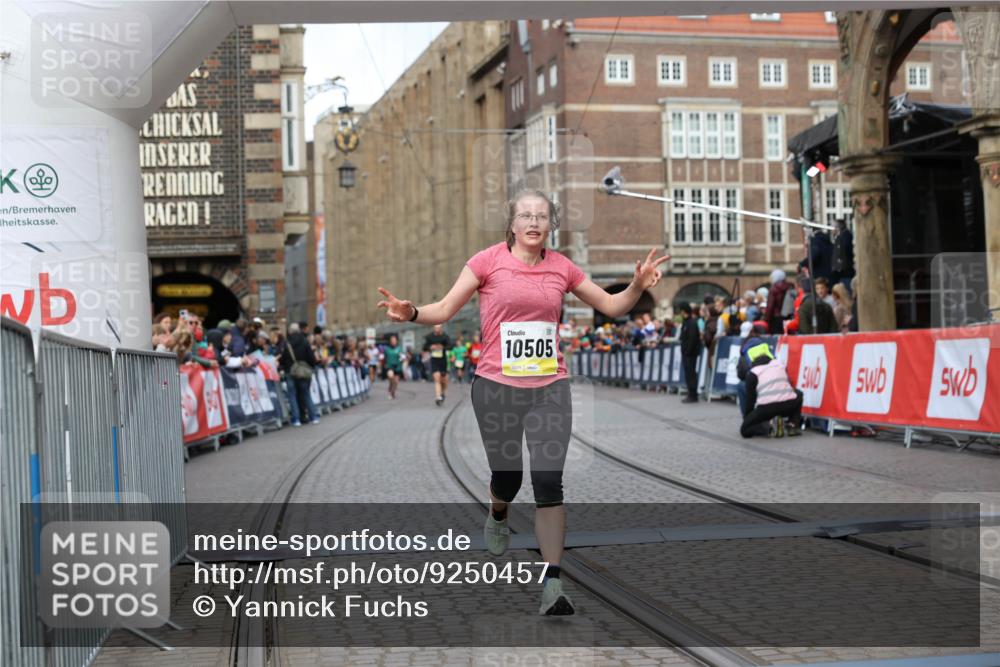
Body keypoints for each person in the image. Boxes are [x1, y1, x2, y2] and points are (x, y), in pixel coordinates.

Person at [377, 189, 668, 616]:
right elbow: (445, 308)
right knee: (509, 478)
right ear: (511, 224)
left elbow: (610, 306)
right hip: (496, 387)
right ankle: (498, 511)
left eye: (542, 216)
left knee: (549, 482)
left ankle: (553, 582)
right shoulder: (486, 262)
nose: (534, 222)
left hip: (550, 387)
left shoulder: (562, 267)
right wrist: (413, 312)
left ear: (551, 224)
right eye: (526, 216)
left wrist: (637, 286)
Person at [741, 343, 803, 438]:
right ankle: (792, 425)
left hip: (767, 409)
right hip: (788, 405)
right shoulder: (780, 365)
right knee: (798, 394)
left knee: (745, 430)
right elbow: (789, 386)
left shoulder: (753, 373)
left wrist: (748, 419)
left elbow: (750, 400)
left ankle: (769, 429)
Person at [278, 322, 320, 426]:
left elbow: (283, 358)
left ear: (290, 332)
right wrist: (310, 366)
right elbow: (311, 357)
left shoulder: (287, 343)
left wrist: (283, 366)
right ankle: (313, 417)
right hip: (303, 372)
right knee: (306, 394)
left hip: (290, 371)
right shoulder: (305, 341)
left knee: (292, 395)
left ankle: (296, 419)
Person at [422, 324, 452, 406]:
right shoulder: (430, 337)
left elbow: (450, 346)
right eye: (436, 328)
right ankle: (438, 397)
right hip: (434, 360)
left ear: (441, 328)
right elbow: (424, 347)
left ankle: (443, 393)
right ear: (433, 328)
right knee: (437, 378)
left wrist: (442, 347)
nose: (437, 329)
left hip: (443, 361)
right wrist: (430, 347)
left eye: (439, 328)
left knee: (444, 380)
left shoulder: (445, 337)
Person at [678, 302, 702, 403]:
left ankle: (693, 394)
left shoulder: (692, 323)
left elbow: (692, 338)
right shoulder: (686, 322)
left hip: (690, 353)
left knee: (691, 374)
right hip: (686, 352)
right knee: (688, 374)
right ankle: (690, 393)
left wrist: (688, 351)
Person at [764, 269, 791, 336]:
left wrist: (766, 319)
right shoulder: (789, 287)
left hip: (775, 318)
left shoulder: (774, 289)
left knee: (776, 337)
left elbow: (770, 306)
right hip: (787, 317)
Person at [831, 218, 855, 290]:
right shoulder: (842, 236)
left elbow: (842, 252)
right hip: (843, 270)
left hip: (845, 271)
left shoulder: (845, 236)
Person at [384, 334, 404, 400]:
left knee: (396, 382)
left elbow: (403, 358)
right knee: (391, 377)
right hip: (390, 366)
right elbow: (384, 358)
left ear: (396, 341)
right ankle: (390, 390)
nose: (393, 341)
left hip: (398, 366)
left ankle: (393, 392)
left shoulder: (399, 349)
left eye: (394, 340)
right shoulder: (387, 349)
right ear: (390, 341)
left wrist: (402, 358)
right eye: (392, 340)